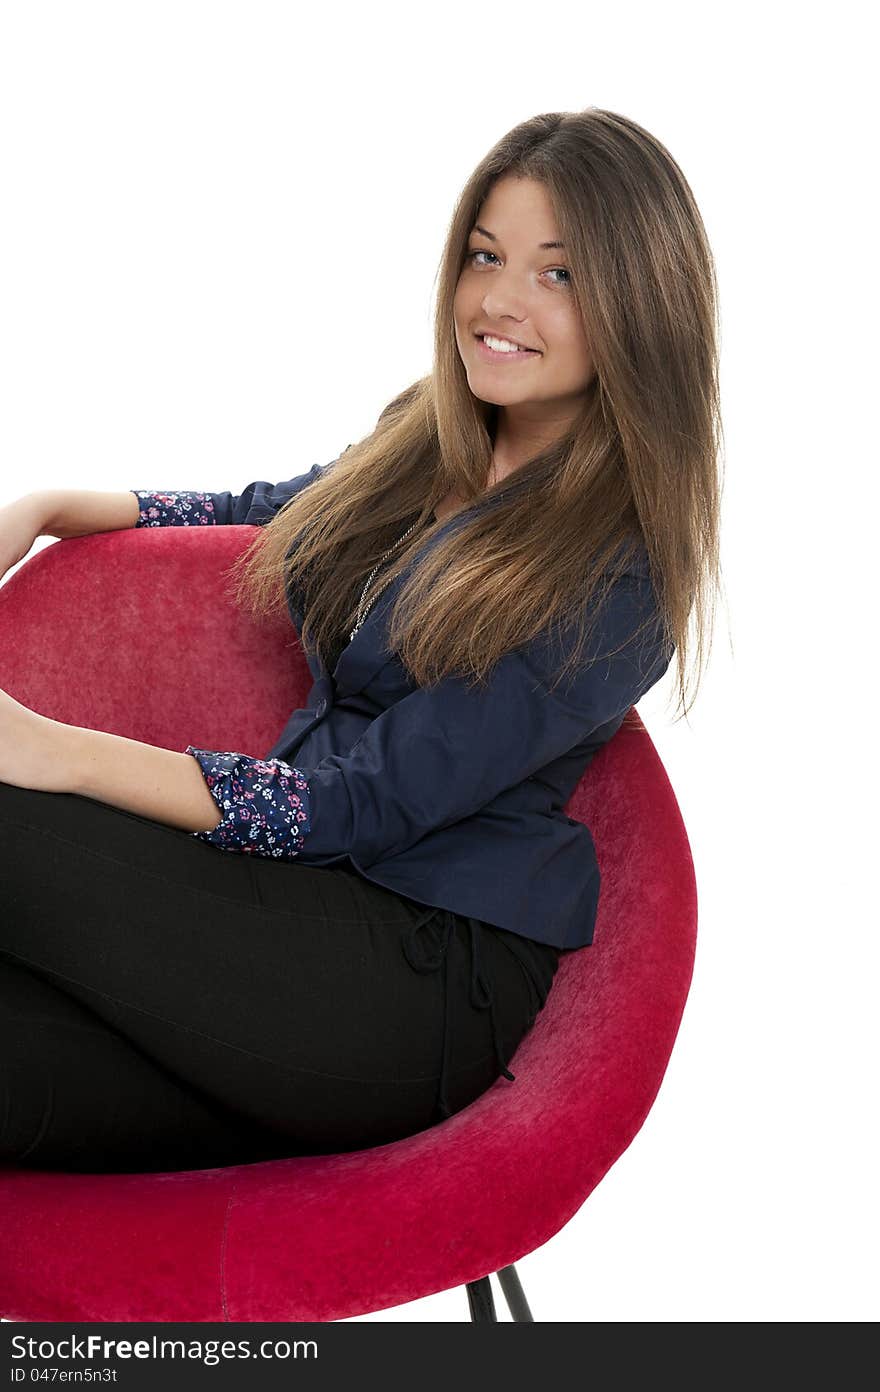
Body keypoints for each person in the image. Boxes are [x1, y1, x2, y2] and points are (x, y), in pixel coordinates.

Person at [0, 107, 722, 1173]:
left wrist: (56, 753)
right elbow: (276, 509)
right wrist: (55, 503)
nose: (497, 300)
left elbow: (359, 804)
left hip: (411, 985)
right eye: (485, 255)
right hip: (286, 933)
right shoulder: (434, 429)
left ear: (640, 303)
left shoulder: (619, 575)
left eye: (556, 274)